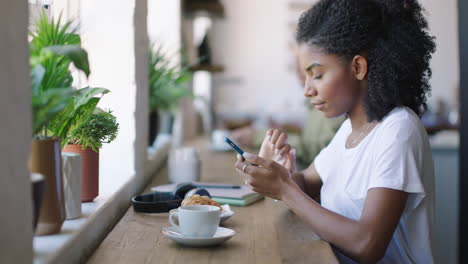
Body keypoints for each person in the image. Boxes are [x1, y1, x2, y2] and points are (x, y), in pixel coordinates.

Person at [234, 0, 436, 263]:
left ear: (358, 68)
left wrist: (284, 188)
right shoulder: (350, 130)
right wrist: (276, 173)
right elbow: (306, 184)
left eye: (317, 75)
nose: (307, 90)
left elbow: (367, 244)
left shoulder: (398, 130)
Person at [232, 44, 344, 168]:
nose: (297, 70)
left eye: (301, 64)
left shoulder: (335, 102)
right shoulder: (313, 101)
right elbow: (317, 139)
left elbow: (315, 150)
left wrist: (259, 137)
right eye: (295, 64)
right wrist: (287, 129)